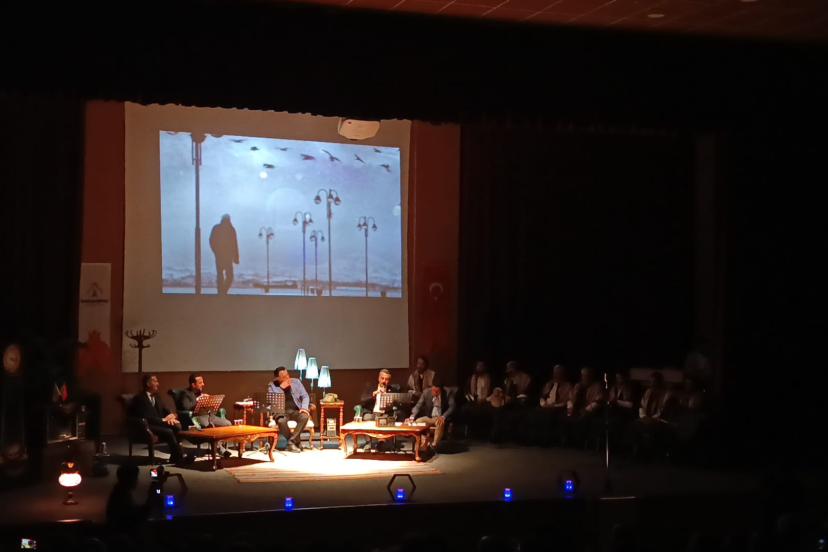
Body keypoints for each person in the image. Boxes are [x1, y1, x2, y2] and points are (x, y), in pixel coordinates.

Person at [128, 374, 188, 464]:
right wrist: (164, 420)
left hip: (157, 424)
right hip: (145, 426)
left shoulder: (156, 396)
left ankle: (176, 456)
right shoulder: (140, 398)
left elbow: (165, 409)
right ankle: (179, 457)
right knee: (169, 431)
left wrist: (171, 416)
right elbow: (146, 417)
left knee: (176, 426)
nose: (158, 383)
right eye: (155, 381)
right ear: (148, 384)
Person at [105, 463, 160, 530]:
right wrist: (151, 498)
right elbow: (137, 517)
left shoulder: (119, 492)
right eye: (135, 478)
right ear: (129, 479)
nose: (137, 481)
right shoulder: (122, 496)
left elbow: (134, 512)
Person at [268, 366, 310, 453]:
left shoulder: (296, 382)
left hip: (295, 410)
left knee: (305, 417)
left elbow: (305, 396)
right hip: (281, 412)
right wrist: (281, 388)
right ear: (277, 378)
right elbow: (272, 402)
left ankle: (291, 442)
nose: (287, 377)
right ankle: (295, 441)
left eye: (287, 375)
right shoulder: (272, 385)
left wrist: (304, 407)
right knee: (281, 421)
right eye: (284, 377)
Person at [408, 379, 456, 449]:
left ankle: (434, 445)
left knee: (439, 422)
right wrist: (412, 417)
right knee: (417, 421)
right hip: (429, 417)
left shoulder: (448, 392)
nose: (434, 393)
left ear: (441, 390)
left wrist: (443, 416)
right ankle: (424, 441)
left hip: (440, 417)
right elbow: (418, 406)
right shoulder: (426, 392)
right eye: (433, 390)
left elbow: (452, 407)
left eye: (437, 391)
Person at [564, 367, 605, 447]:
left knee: (583, 418)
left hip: (591, 409)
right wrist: (570, 407)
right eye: (583, 376)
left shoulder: (597, 386)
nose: (585, 378)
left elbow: (598, 401)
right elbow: (570, 398)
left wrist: (586, 409)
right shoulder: (578, 385)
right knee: (566, 416)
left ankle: (580, 442)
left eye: (587, 376)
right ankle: (568, 440)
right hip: (577, 408)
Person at [531, 364, 571, 445]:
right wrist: (543, 404)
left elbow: (567, 400)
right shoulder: (549, 384)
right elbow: (543, 396)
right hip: (546, 405)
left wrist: (553, 406)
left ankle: (546, 440)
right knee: (534, 413)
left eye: (558, 373)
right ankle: (534, 438)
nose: (556, 375)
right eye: (555, 373)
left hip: (558, 407)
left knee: (548, 415)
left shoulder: (568, 386)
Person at [209, 214, 239, 295]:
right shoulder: (230, 229)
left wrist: (216, 251)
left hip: (223, 256)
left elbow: (211, 241)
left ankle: (221, 292)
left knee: (222, 275)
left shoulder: (220, 228)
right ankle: (222, 292)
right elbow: (235, 244)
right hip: (225, 256)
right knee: (227, 276)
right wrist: (236, 257)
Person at [461, 361, 492, 439]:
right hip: (473, 401)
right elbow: (466, 391)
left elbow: (492, 392)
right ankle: (469, 433)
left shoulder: (488, 378)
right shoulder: (472, 378)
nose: (479, 368)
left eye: (481, 366)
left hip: (486, 401)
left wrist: (485, 399)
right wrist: (471, 398)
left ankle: (485, 434)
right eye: (478, 366)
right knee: (465, 409)